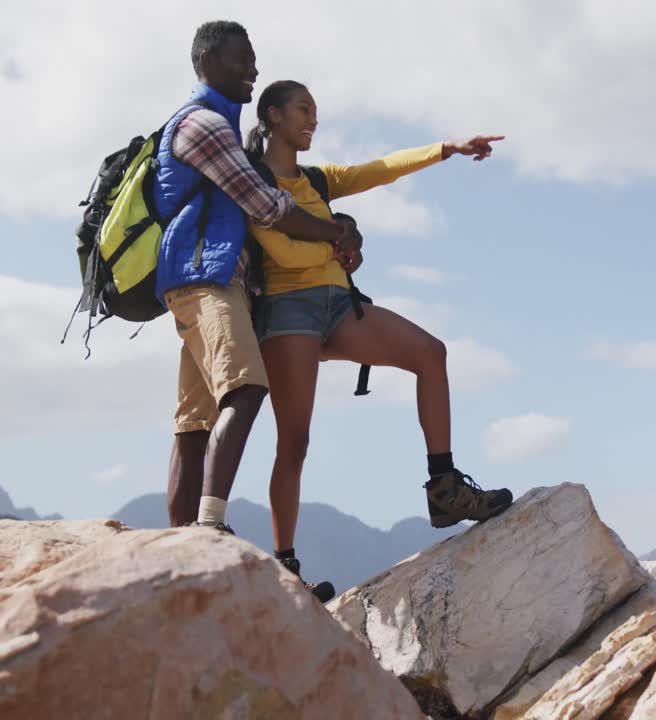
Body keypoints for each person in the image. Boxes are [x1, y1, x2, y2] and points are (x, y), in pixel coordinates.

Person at [244, 80, 514, 589]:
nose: (313, 120)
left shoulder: (317, 181)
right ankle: (285, 566)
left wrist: (447, 149)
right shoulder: (252, 180)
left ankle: (445, 488)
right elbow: (286, 254)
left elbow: (380, 169)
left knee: (430, 354)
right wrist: (338, 240)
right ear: (274, 115)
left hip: (339, 306)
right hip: (287, 313)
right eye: (304, 109)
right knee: (294, 442)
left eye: (316, 112)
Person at [155, 22, 360, 601]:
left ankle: (179, 549)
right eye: (244, 59)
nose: (254, 69)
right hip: (205, 279)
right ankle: (210, 524)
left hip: (207, 280)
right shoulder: (204, 125)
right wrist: (334, 231)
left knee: (194, 422)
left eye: (256, 59)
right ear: (208, 58)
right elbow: (265, 205)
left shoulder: (218, 124)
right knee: (245, 389)